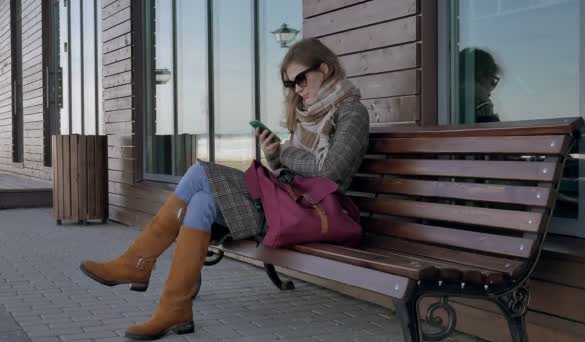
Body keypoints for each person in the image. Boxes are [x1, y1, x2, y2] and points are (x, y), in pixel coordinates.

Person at [79, 38, 370, 340]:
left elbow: (330, 172)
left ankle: (137, 263)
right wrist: (274, 157)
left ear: (324, 69)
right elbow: (293, 173)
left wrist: (283, 152)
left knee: (199, 173)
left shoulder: (352, 112)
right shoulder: (309, 115)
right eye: (289, 84)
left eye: (300, 78)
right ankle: (174, 307)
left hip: (309, 216)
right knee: (202, 201)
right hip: (286, 207)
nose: (297, 89)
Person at [458, 47, 502, 123]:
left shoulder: (452, 99)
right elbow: (494, 132)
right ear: (481, 76)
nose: (490, 94)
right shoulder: (479, 99)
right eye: (492, 82)